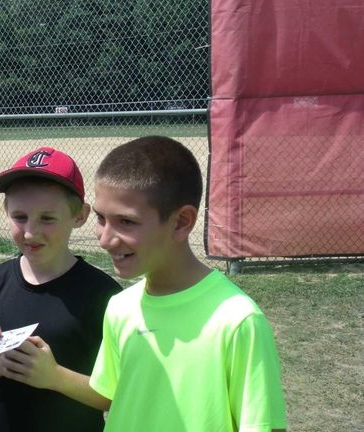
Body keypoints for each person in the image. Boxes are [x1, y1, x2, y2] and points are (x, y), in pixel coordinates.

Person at [89, 136, 287, 431]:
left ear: (182, 222)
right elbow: (113, 396)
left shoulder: (237, 320)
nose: (105, 239)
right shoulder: (120, 307)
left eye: (126, 222)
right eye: (101, 218)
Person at [0, 147, 120, 431]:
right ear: (5, 211)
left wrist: (54, 377)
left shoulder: (104, 296)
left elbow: (117, 396)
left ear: (79, 215)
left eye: (47, 218)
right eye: (20, 217)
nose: (30, 232)